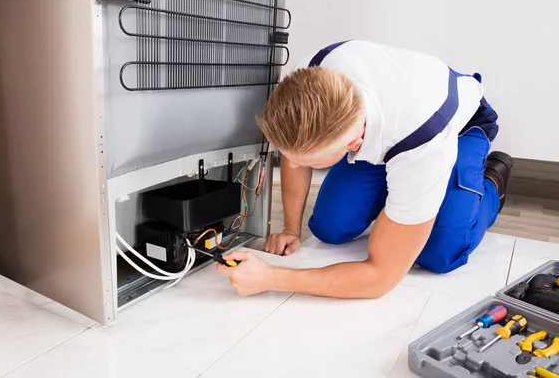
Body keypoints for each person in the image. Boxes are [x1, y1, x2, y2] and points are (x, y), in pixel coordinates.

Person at [216, 40, 513, 298]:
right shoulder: (306, 80)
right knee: (328, 228)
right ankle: (405, 193)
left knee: (440, 253)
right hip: (389, 129)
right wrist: (291, 229)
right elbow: (295, 152)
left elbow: (380, 278)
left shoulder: (424, 140)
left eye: (307, 162)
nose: (293, 165)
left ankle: (491, 183)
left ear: (353, 142)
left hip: (460, 126)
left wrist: (272, 277)